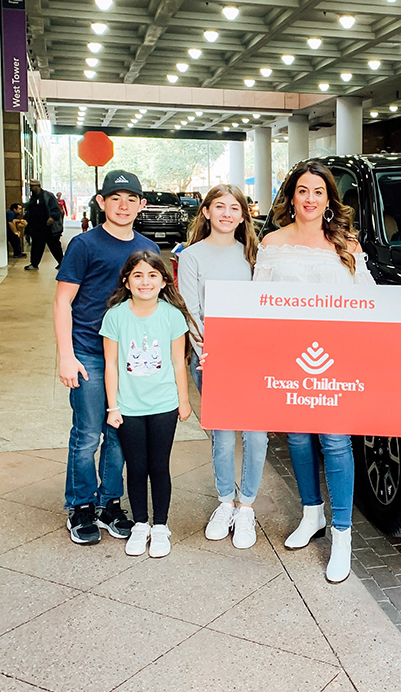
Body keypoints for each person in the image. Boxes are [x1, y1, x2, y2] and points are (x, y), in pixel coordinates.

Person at [256, 160, 375, 583]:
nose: (310, 199)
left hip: (336, 358)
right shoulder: (272, 243)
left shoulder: (347, 244)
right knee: (298, 438)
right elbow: (257, 304)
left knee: (336, 440)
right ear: (291, 196)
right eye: (303, 190)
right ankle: (312, 514)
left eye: (318, 192)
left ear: (329, 199)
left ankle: (342, 534)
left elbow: (370, 303)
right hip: (289, 357)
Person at [54, 170, 159, 545]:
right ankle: (80, 506)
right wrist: (66, 356)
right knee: (86, 436)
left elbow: (152, 305)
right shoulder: (83, 245)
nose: (123, 205)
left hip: (130, 359)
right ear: (101, 202)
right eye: (115, 198)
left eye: (131, 198)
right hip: (88, 354)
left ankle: (109, 503)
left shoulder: (147, 248)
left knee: (118, 435)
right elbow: (63, 301)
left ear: (141, 205)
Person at [177, 184, 264, 549]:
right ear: (206, 213)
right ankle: (225, 502)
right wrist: (203, 350)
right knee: (225, 436)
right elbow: (190, 309)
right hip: (211, 357)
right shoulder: (192, 256)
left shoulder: (255, 257)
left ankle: (247, 508)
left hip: (253, 358)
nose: (227, 213)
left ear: (244, 216)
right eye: (219, 207)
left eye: (234, 208)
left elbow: (268, 306)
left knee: (257, 435)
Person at [101, 251, 196, 558]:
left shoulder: (171, 315)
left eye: (152, 275)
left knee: (159, 466)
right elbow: (111, 365)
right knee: (137, 467)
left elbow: (178, 363)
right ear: (126, 281)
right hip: (128, 407)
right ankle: (140, 523)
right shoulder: (115, 315)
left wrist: (184, 402)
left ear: (164, 280)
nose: (145, 281)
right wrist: (113, 407)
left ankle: (160, 527)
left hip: (164, 404)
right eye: (138, 275)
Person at [24, 180, 64, 270]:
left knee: (54, 246)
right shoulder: (33, 198)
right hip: (36, 227)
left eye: (32, 186)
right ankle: (34, 264)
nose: (31, 188)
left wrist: (52, 218)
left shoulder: (48, 196)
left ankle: (62, 263)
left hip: (48, 227)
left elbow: (56, 209)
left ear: (38, 186)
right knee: (36, 246)